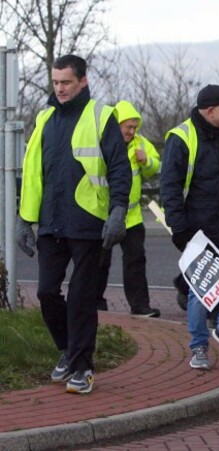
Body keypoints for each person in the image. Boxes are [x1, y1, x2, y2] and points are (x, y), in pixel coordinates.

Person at [15, 54, 132, 394]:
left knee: (81, 297)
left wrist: (117, 211)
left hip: (88, 222)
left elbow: (119, 169)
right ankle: (68, 349)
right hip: (51, 223)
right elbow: (33, 172)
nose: (60, 88)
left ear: (83, 81)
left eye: (66, 82)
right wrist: (25, 219)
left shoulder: (102, 116)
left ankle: (83, 367)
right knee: (46, 292)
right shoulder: (45, 118)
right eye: (55, 82)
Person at [160, 84, 219, 368]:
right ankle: (199, 347)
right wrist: (180, 230)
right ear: (210, 111)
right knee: (202, 291)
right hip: (197, 229)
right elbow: (170, 188)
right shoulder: (181, 137)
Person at [95, 100, 161, 318]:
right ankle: (96, 301)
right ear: (118, 124)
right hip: (104, 214)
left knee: (135, 261)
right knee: (100, 262)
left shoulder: (140, 143)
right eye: (128, 127)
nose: (132, 132)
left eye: (135, 127)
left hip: (131, 216)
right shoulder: (103, 141)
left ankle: (140, 306)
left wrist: (146, 161)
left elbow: (156, 167)